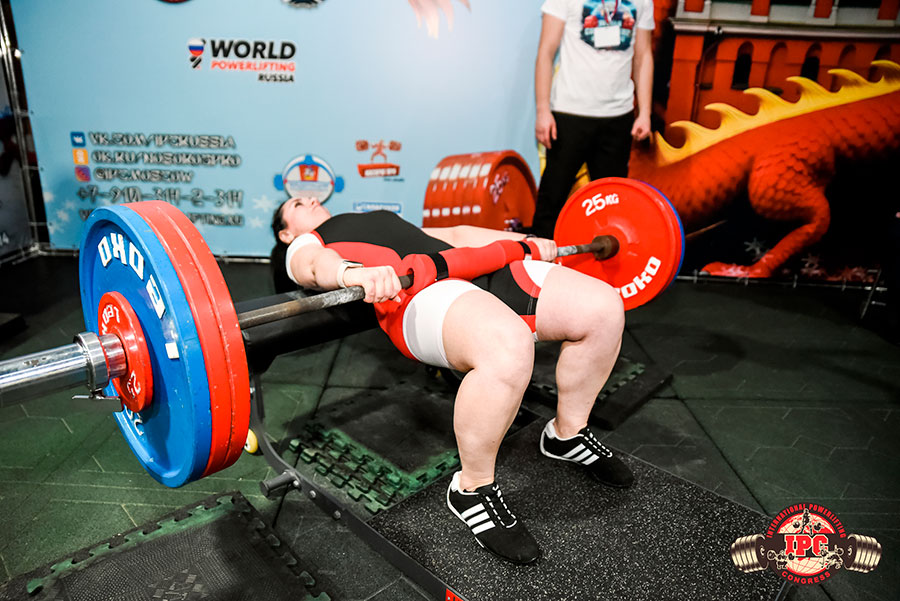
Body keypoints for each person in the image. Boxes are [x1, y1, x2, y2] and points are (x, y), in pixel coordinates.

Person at [271, 196, 631, 565]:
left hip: (473, 266)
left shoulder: (373, 216)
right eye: (296, 203)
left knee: (603, 308)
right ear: (286, 233)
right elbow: (312, 265)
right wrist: (351, 274)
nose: (310, 198)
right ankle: (472, 490)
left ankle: (567, 434)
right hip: (415, 292)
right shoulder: (306, 242)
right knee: (507, 347)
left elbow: (457, 235)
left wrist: (526, 241)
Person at [531, 0, 655, 238]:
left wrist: (645, 113)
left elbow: (644, 55)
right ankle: (538, 257)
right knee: (552, 201)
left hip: (618, 116)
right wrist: (543, 110)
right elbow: (546, 52)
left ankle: (601, 261)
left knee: (611, 206)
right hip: (569, 113)